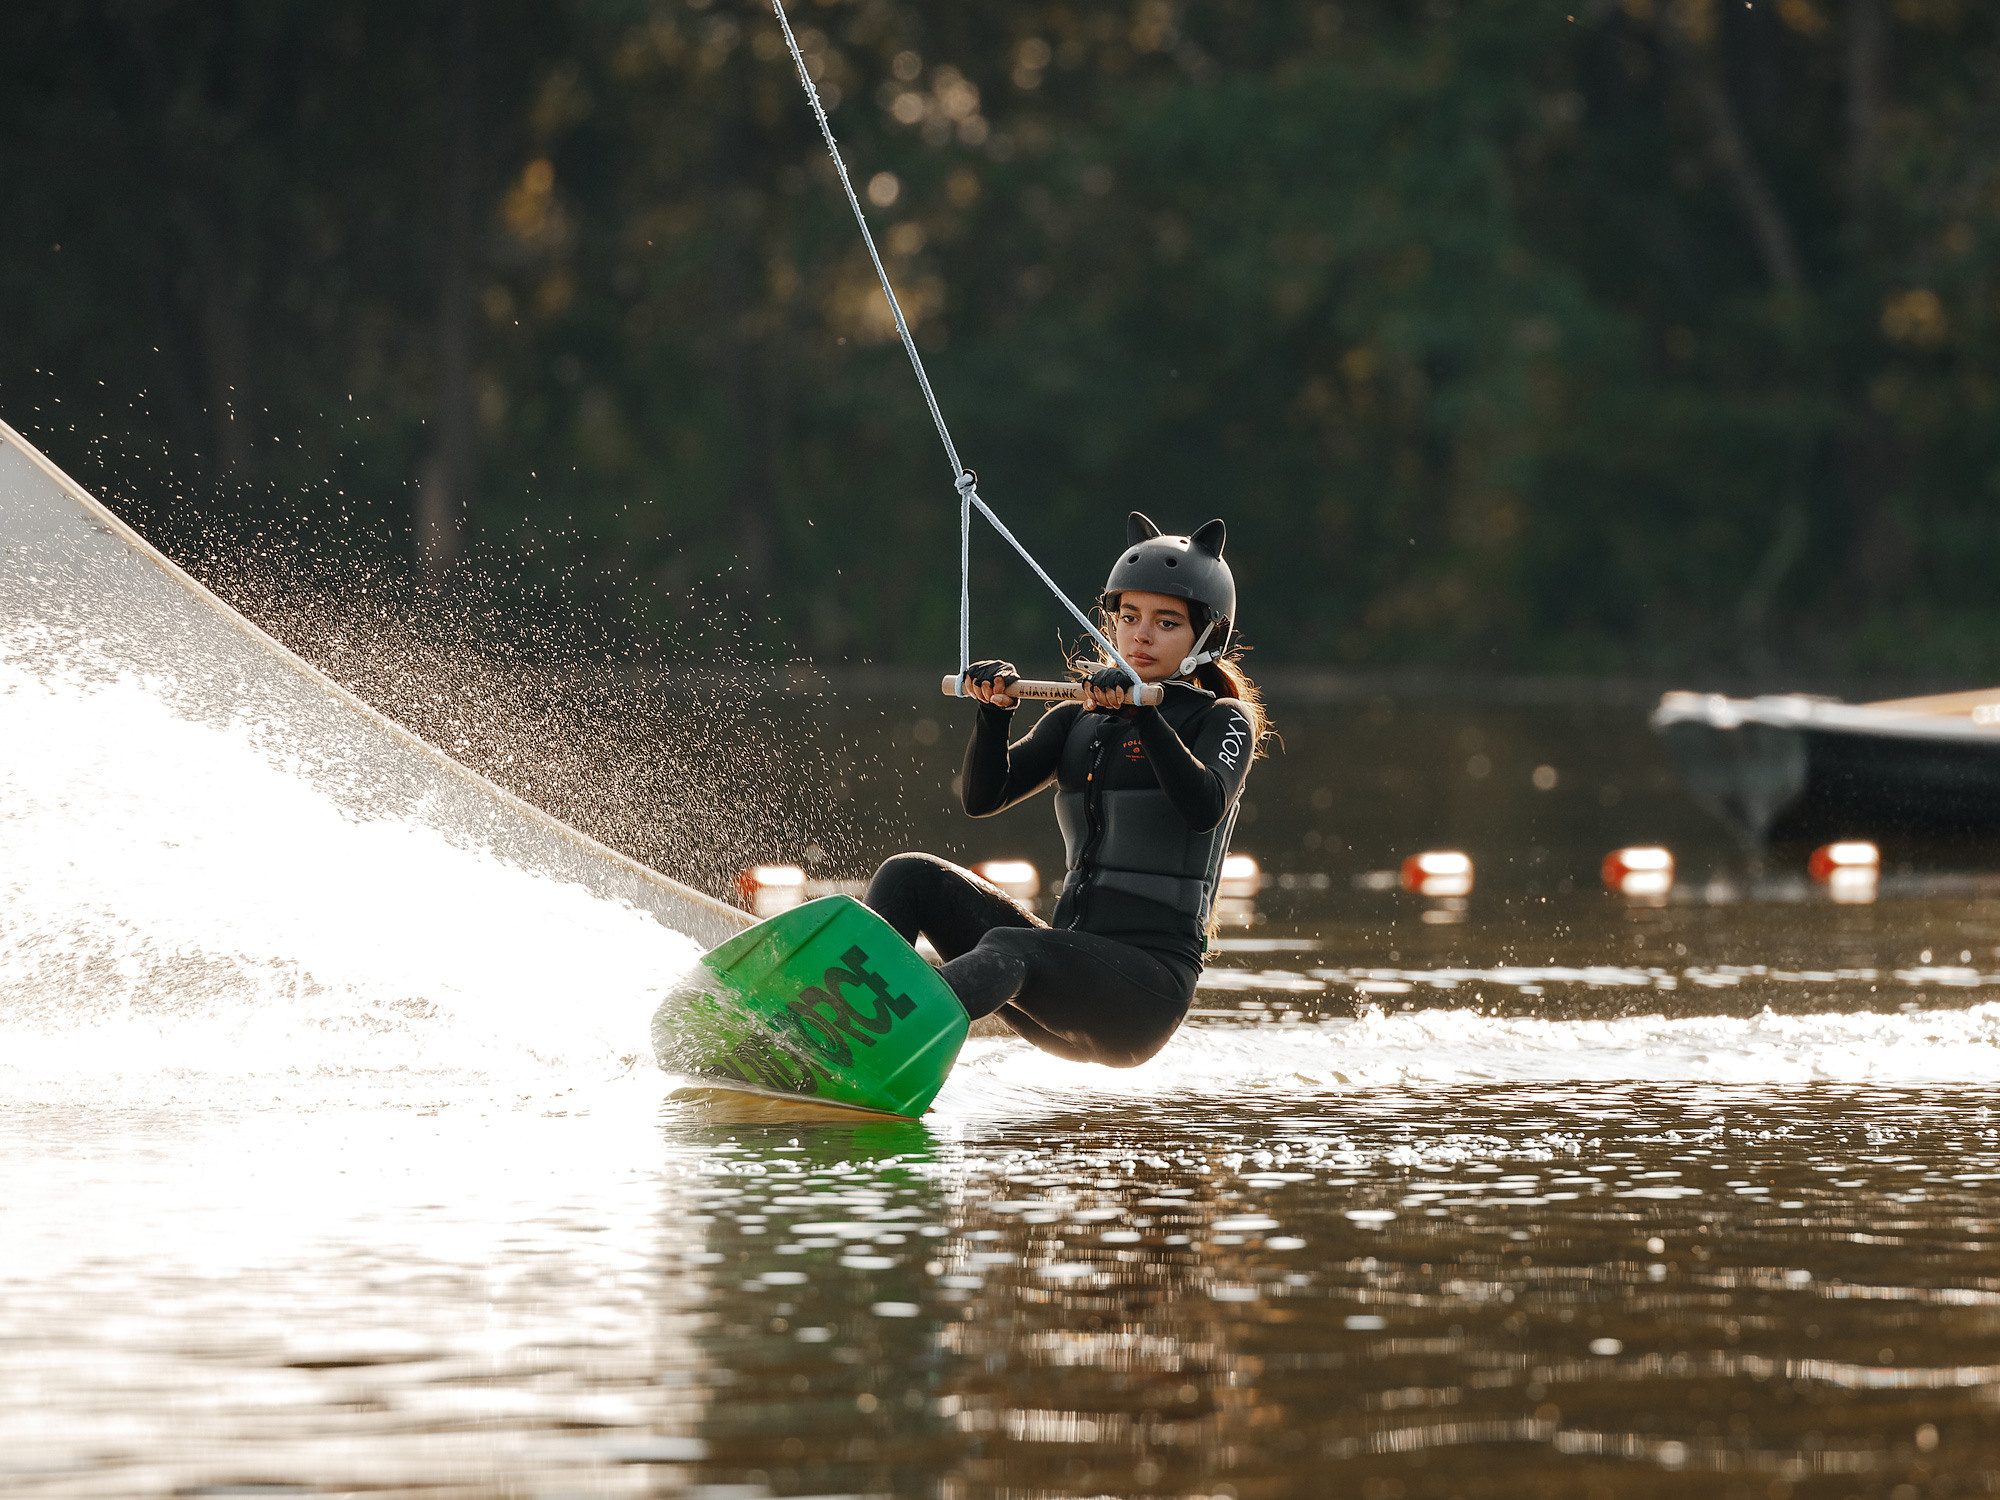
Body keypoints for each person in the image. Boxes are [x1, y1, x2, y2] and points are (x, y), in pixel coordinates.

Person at [865, 512, 1265, 1067]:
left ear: (1207, 636)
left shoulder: (1225, 719)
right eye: (1129, 617)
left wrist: (1143, 715)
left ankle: (879, 1045)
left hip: (1141, 996)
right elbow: (984, 798)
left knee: (1009, 949)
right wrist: (993, 715)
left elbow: (1203, 807)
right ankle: (835, 1011)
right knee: (910, 875)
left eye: (1167, 623)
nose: (1141, 635)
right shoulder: (1078, 719)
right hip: (1061, 977)